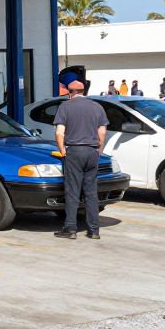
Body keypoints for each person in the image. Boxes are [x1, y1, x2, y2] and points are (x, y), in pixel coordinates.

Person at [53, 80, 108, 240]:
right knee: (91, 192)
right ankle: (94, 230)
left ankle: (70, 228)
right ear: (84, 91)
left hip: (74, 151)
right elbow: (102, 132)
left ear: (70, 92)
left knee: (72, 191)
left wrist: (62, 150)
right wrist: (99, 150)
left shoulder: (65, 107)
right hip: (92, 151)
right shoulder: (97, 107)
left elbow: (59, 132)